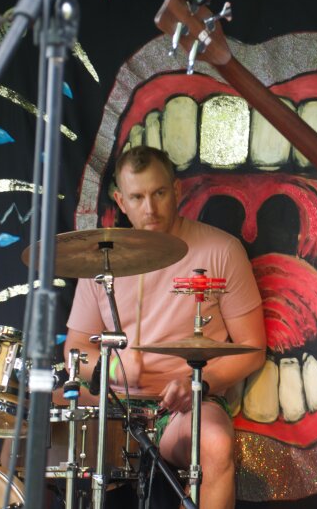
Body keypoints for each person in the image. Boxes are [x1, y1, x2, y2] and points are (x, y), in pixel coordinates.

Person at [64, 146, 265, 509]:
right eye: (137, 197)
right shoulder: (100, 256)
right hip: (110, 401)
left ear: (176, 189)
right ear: (120, 201)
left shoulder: (221, 250)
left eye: (158, 193)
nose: (150, 208)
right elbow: (75, 349)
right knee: (25, 422)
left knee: (215, 444)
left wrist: (199, 384)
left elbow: (252, 349)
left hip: (184, 407)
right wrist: (115, 370)